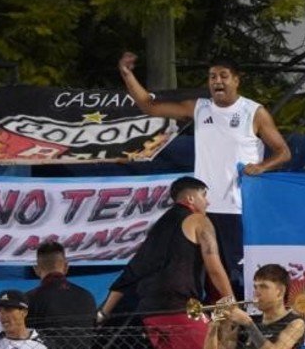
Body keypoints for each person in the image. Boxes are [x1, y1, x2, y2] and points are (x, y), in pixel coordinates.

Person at [118, 52, 292, 293]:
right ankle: (215, 329)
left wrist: (261, 167)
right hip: (204, 209)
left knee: (237, 276)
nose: (217, 81)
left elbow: (284, 152)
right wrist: (127, 74)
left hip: (238, 208)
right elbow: (149, 106)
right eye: (212, 77)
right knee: (206, 276)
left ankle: (243, 327)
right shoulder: (199, 108)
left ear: (236, 80)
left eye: (223, 76)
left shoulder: (253, 112)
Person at [100, 176, 233, 349]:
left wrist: (105, 310)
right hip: (179, 304)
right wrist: (230, 302)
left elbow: (134, 268)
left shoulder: (158, 226)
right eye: (204, 195)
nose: (208, 202)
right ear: (191, 198)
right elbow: (214, 267)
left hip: (149, 310)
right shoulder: (199, 220)